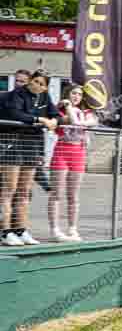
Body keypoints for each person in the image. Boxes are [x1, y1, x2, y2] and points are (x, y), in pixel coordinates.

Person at [0, 69, 60, 246]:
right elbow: (16, 115)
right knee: (8, 190)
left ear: (45, 87)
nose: (37, 85)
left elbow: (55, 114)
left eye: (42, 84)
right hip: (12, 145)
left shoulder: (45, 97)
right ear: (30, 81)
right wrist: (42, 120)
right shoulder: (17, 94)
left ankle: (21, 230)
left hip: (31, 145)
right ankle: (5, 232)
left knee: (24, 191)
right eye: (35, 81)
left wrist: (55, 120)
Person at [48, 84, 97, 242]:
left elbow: (79, 122)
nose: (76, 96)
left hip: (78, 153)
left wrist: (69, 106)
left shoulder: (88, 112)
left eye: (79, 94)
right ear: (67, 94)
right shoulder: (59, 112)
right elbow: (69, 120)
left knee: (73, 195)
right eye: (73, 93)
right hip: (62, 151)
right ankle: (55, 230)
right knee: (56, 193)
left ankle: (72, 229)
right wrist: (67, 107)